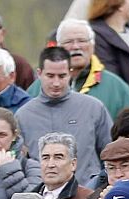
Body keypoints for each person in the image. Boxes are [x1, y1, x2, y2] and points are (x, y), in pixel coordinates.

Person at [18, 47, 111, 185]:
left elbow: (110, 153)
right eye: (50, 76)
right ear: (39, 74)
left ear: (70, 73)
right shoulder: (24, 116)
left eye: (62, 76)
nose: (56, 83)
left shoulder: (94, 108)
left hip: (88, 192)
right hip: (42, 194)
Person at [47, 19, 129, 119]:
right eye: (68, 42)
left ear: (92, 46)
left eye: (82, 41)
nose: (76, 46)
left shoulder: (118, 89)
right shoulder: (42, 86)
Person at [34, 133, 98, 199]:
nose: (50, 165)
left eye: (58, 158)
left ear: (73, 164)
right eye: (45, 158)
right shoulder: (28, 198)